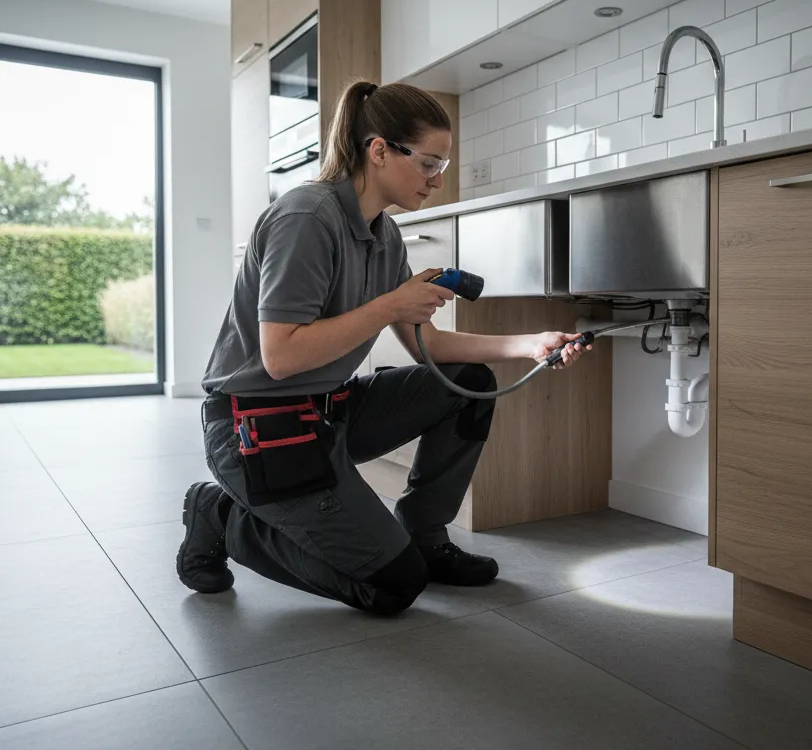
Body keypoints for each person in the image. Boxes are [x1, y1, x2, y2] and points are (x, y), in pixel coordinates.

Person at [177, 80, 590, 616]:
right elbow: (280, 357)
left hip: (330, 413)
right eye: (428, 164)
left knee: (470, 379)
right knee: (391, 587)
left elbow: (430, 348)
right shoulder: (306, 219)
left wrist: (531, 344)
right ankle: (219, 515)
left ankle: (423, 535)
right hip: (256, 428)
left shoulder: (385, 234)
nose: (437, 182)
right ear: (378, 151)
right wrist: (390, 305)